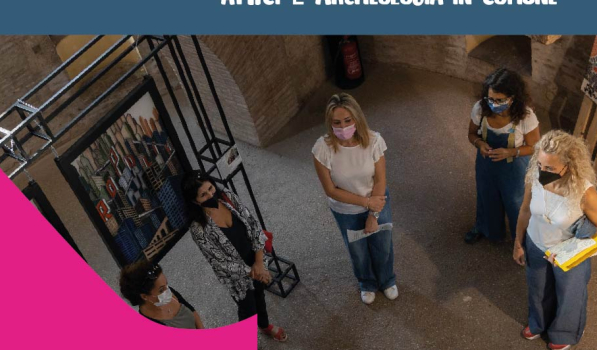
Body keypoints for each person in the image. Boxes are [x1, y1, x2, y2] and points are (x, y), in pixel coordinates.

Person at [513, 130, 597, 350]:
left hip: (568, 254)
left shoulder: (586, 194)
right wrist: (518, 243)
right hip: (535, 244)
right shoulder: (534, 178)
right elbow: (525, 210)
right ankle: (538, 323)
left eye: (550, 168)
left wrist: (569, 251)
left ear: (569, 166)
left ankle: (564, 333)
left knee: (569, 296)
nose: (542, 172)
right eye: (540, 165)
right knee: (538, 289)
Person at [312, 92, 397, 305]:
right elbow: (331, 190)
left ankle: (387, 279)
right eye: (337, 123)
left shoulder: (374, 141)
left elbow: (380, 180)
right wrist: (366, 203)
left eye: (347, 120)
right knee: (358, 252)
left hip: (378, 201)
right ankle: (367, 283)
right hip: (346, 210)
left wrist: (373, 214)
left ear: (357, 118)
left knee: (383, 246)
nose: (343, 127)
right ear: (330, 123)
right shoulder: (322, 149)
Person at [182, 171, 287, 342]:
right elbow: (220, 263)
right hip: (237, 278)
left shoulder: (227, 196)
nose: (211, 195)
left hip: (256, 260)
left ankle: (264, 325)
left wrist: (259, 263)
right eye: (203, 195)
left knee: (260, 297)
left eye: (210, 188)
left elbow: (253, 225)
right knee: (248, 310)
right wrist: (255, 272)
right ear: (195, 201)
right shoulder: (198, 229)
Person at [465, 67, 541, 244]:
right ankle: (486, 229)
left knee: (516, 203)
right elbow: (471, 134)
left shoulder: (525, 116)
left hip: (514, 168)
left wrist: (511, 151)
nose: (494, 104)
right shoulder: (480, 109)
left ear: (513, 98)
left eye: (500, 100)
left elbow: (535, 147)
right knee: (486, 197)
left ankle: (521, 241)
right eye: (491, 99)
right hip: (486, 164)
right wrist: (479, 143)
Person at [119, 261, 204, 329]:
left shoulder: (168, 292)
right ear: (144, 296)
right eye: (161, 290)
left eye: (166, 284)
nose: (167, 290)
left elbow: (191, 310)